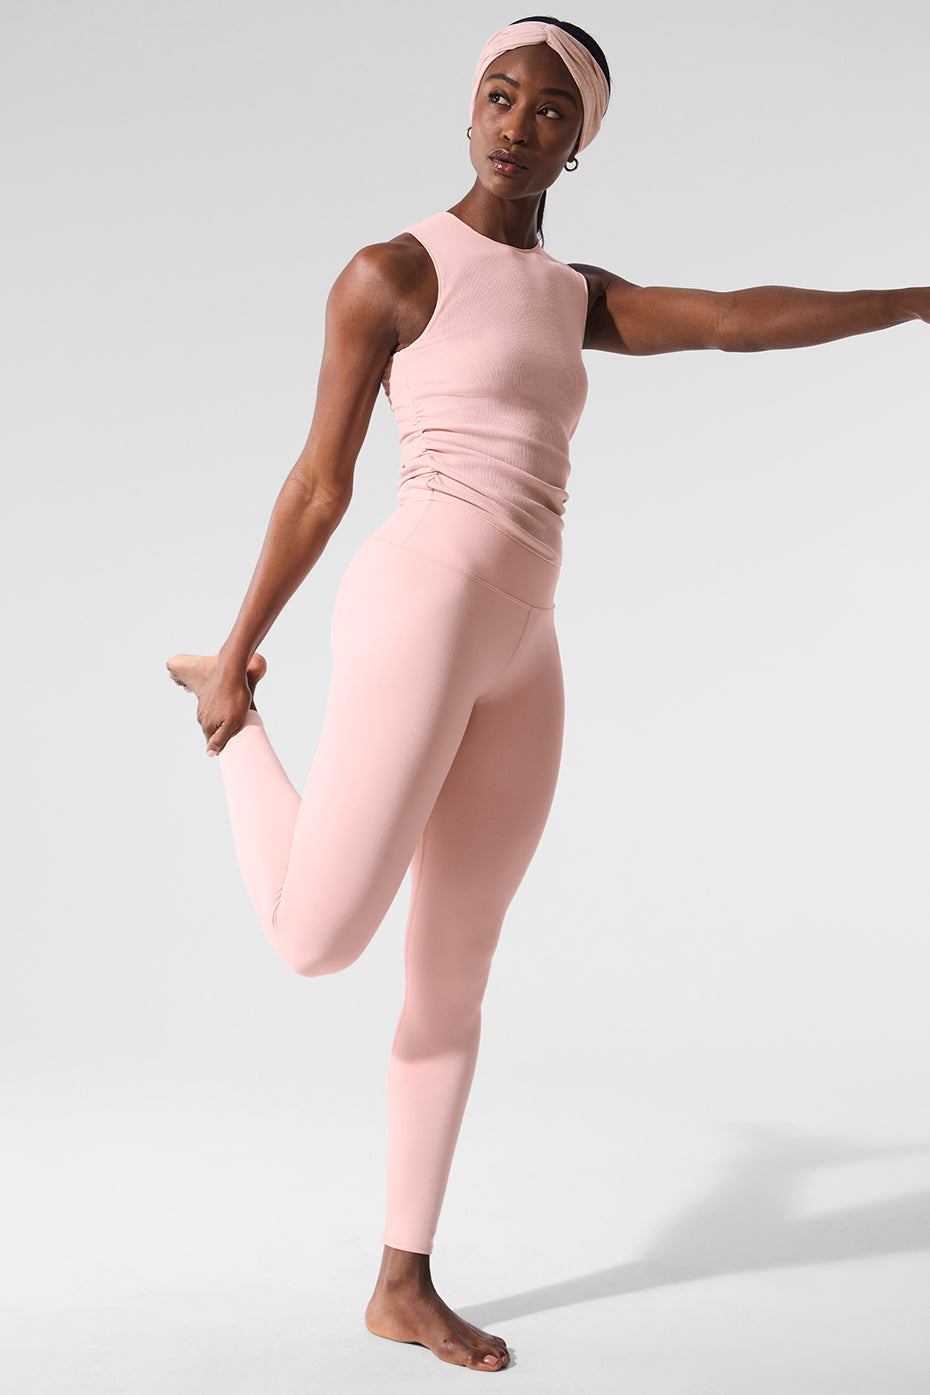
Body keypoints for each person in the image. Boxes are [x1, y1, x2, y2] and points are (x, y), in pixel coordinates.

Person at [166, 14, 928, 1374]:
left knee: (453, 971)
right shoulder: (395, 271)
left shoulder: (576, 295)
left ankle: (401, 1282)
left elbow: (733, 321)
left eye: (552, 109)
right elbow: (320, 483)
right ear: (469, 107)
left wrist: (915, 301)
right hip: (420, 599)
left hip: (527, 643)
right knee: (318, 943)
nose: (518, 124)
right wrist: (238, 650)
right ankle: (228, 723)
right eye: (501, 95)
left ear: (581, 144)